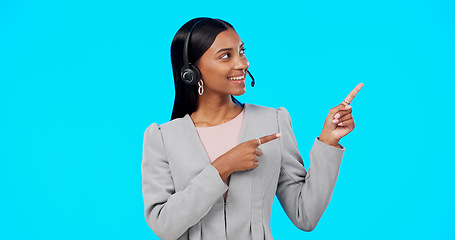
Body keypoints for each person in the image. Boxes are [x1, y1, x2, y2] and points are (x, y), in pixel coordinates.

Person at [141, 17, 363, 240]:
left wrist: (328, 142)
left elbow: (305, 215)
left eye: (242, 51)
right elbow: (164, 226)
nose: (243, 63)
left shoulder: (272, 121)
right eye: (226, 55)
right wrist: (222, 168)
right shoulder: (162, 138)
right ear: (192, 70)